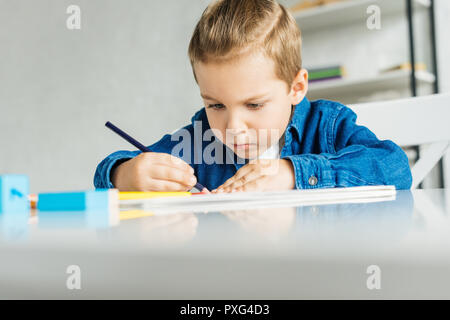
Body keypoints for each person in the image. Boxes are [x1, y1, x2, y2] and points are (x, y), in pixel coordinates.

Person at [94, 0, 412, 193]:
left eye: (254, 105)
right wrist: (125, 173)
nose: (233, 126)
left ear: (296, 88)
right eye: (215, 104)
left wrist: (290, 173)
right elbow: (113, 168)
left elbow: (395, 167)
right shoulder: (200, 138)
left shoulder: (326, 126)